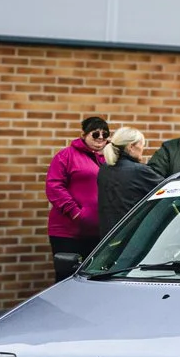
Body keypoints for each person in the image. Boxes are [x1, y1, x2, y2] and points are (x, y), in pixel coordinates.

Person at [46, 116, 109, 276]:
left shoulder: (107, 159)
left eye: (105, 134)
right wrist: (75, 212)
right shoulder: (66, 156)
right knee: (66, 277)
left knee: (92, 278)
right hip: (68, 231)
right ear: (83, 135)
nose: (101, 137)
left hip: (97, 232)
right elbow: (54, 186)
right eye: (95, 134)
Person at [95, 127, 164, 231]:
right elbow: (169, 190)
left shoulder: (104, 168)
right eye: (142, 145)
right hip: (131, 236)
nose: (143, 149)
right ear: (131, 146)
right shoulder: (139, 171)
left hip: (108, 236)